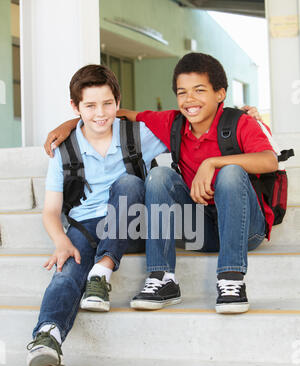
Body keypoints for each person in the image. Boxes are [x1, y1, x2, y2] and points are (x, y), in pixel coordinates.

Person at [43, 53, 276, 316]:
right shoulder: (172, 123)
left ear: (220, 93)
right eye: (182, 92)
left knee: (230, 171)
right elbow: (112, 114)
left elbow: (269, 161)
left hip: (246, 231)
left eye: (199, 90)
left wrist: (213, 163)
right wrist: (71, 123)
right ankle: (162, 279)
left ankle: (231, 279)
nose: (190, 99)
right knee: (159, 176)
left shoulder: (239, 122)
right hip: (201, 230)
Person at [26, 64, 167, 366]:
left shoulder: (137, 134)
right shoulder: (63, 150)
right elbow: (51, 210)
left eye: (107, 103)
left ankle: (100, 274)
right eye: (89, 106)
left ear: (118, 102)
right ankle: (47, 335)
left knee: (130, 183)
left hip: (131, 221)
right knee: (67, 269)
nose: (100, 113)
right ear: (75, 108)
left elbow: (190, 125)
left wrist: (242, 116)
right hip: (86, 225)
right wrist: (60, 240)